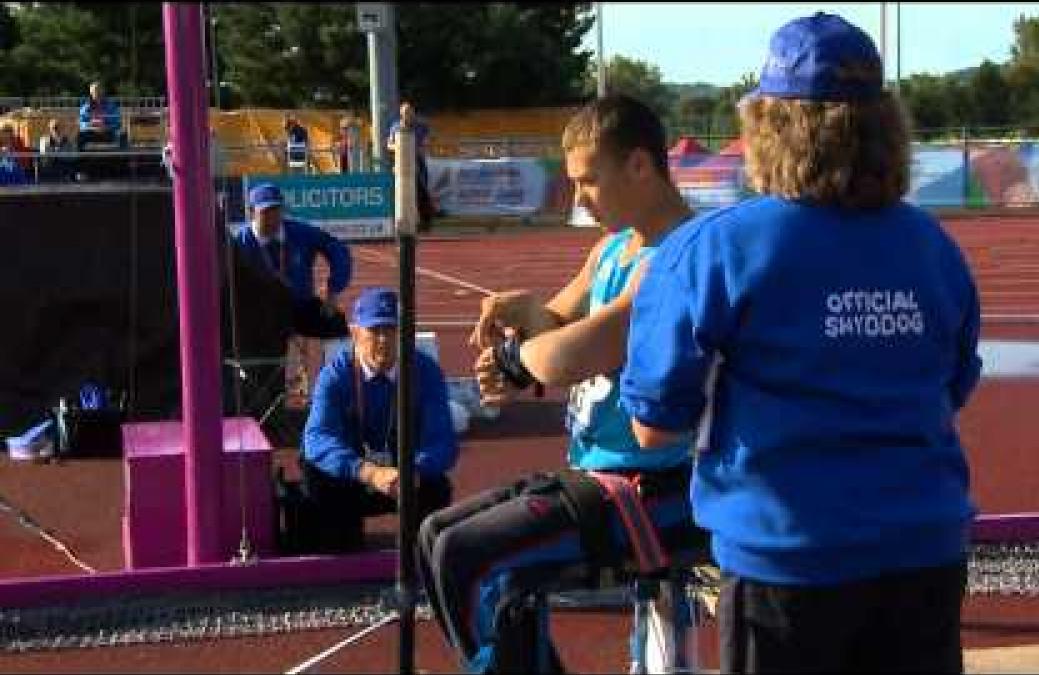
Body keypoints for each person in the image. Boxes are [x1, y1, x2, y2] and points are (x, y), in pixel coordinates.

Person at [619, 13, 983, 674]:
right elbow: (952, 385)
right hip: (925, 549)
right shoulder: (934, 248)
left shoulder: (715, 250)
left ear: (767, 128)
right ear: (884, 127)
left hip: (788, 561)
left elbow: (652, 424)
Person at [417, 94, 708, 673]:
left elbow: (579, 349)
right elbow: (555, 323)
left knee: (467, 558)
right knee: (433, 535)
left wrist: (517, 357)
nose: (578, 201)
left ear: (640, 166)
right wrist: (523, 317)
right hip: (602, 474)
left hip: (664, 487)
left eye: (588, 183)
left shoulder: (678, 257)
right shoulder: (611, 250)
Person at [299, 287, 458, 553]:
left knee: (437, 487)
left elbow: (443, 441)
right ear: (355, 333)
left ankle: (419, 560)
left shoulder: (425, 371)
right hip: (352, 474)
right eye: (375, 331)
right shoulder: (334, 375)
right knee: (319, 481)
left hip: (404, 473)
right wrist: (366, 472)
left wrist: (413, 471)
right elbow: (316, 438)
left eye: (392, 330)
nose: (384, 340)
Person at [232, 182, 354, 339]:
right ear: (251, 212)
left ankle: (336, 364)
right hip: (259, 313)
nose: (273, 217)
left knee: (336, 323)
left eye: (277, 210)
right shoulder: (239, 242)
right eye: (266, 212)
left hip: (299, 306)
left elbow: (337, 249)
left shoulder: (300, 233)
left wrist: (333, 291)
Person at [387, 101, 434, 231]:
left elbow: (426, 141)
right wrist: (399, 147)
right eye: (405, 112)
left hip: (417, 161)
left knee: (421, 192)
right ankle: (404, 221)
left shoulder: (421, 126)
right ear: (401, 114)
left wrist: (419, 147)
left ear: (413, 112)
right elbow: (389, 144)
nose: (408, 114)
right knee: (402, 194)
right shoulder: (395, 126)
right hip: (401, 163)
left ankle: (425, 223)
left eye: (410, 112)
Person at [77, 81, 124, 152]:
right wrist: (90, 125)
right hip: (91, 132)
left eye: (99, 90)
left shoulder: (111, 106)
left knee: (122, 135)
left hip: (107, 132)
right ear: (91, 93)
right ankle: (81, 159)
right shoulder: (86, 106)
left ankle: (122, 160)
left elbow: (117, 122)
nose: (97, 93)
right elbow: (81, 122)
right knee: (80, 136)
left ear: (103, 91)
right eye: (95, 91)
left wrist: (106, 127)